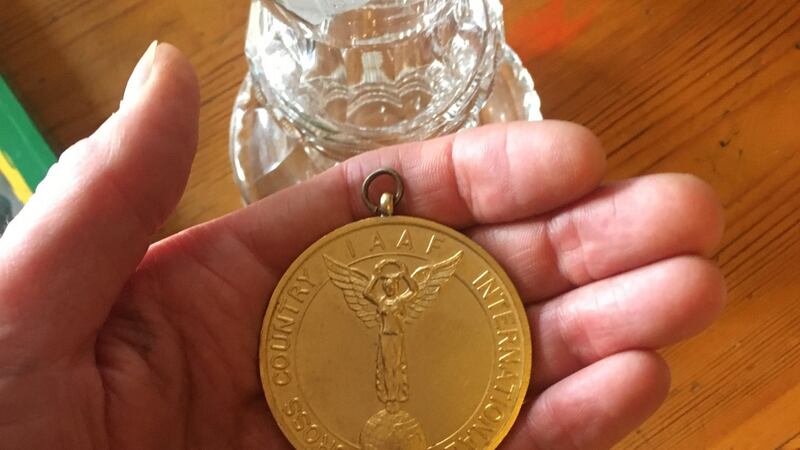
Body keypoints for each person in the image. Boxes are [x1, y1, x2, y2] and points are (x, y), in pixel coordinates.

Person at [0, 43, 726, 449]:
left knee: (396, 360)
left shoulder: (402, 285)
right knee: (386, 364)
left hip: (403, 331)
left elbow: (431, 280)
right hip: (382, 335)